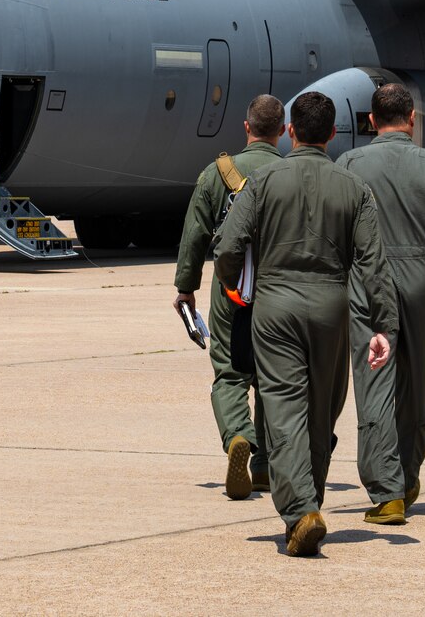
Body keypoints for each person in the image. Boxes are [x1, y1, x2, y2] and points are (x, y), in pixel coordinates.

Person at [213, 91, 396, 557]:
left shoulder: (263, 181)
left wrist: (238, 289)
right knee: (323, 408)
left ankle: (301, 511)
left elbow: (229, 247)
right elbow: (373, 263)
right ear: (333, 134)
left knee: (283, 408)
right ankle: (306, 499)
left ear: (291, 131)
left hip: (275, 306)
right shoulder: (354, 188)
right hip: (333, 306)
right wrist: (383, 326)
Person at [339, 83, 425, 526]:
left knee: (374, 381)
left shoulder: (349, 165)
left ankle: (386, 491)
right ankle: (409, 474)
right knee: (417, 380)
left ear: (372, 120)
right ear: (412, 119)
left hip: (367, 280)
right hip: (420, 278)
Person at [173, 94, 285, 499]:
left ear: (246, 127)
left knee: (230, 372)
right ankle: (268, 466)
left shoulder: (217, 174)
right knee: (275, 377)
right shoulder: (289, 173)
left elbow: (195, 235)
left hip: (231, 288)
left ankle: (238, 435)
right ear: (283, 131)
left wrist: (186, 288)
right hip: (280, 289)